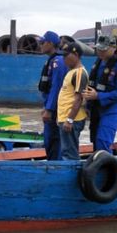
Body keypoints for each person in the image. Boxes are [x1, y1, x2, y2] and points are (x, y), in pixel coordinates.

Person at [83, 34, 117, 153]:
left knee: (103, 141)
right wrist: (88, 105)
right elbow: (91, 86)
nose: (100, 51)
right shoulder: (98, 64)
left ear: (113, 48)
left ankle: (107, 168)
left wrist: (98, 96)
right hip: (96, 107)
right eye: (98, 49)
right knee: (94, 140)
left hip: (112, 109)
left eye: (104, 49)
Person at [37, 31, 67, 160]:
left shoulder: (58, 61)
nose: (40, 45)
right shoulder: (51, 60)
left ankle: (56, 166)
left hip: (56, 109)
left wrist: (49, 110)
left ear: (50, 43)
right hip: (50, 105)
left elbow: (57, 87)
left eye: (42, 43)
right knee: (48, 141)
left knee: (54, 141)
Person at [56, 42, 89, 160]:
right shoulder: (71, 72)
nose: (63, 58)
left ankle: (71, 176)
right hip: (65, 118)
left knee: (69, 153)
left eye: (66, 55)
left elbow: (79, 99)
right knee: (67, 150)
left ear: (75, 54)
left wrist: (69, 120)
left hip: (72, 119)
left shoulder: (79, 73)